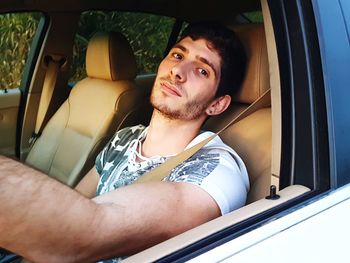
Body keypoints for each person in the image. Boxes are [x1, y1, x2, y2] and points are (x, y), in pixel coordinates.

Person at [0, 21, 248, 263]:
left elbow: (86, 231)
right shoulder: (126, 138)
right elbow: (73, 208)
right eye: (177, 55)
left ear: (217, 104)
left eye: (202, 70)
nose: (177, 71)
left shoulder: (215, 173)